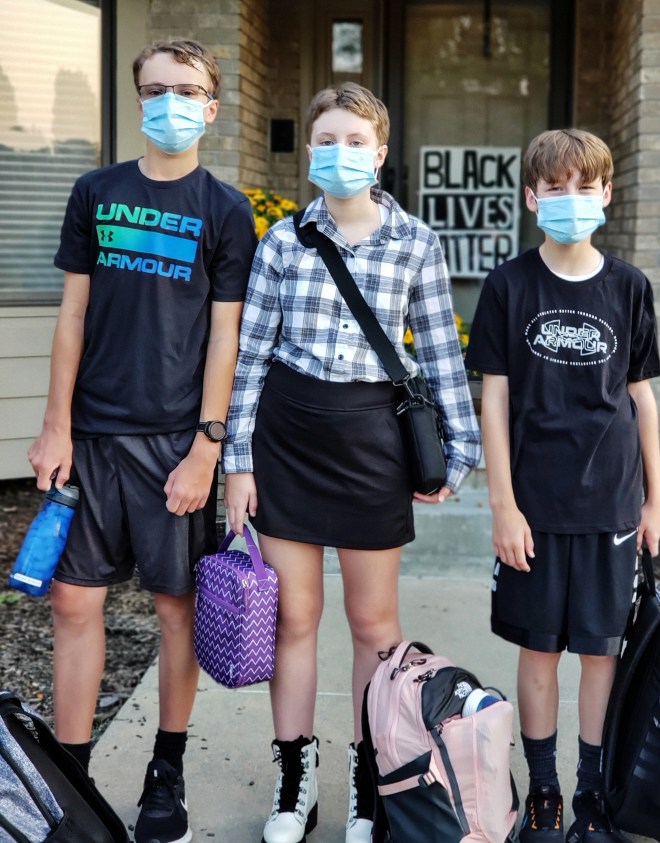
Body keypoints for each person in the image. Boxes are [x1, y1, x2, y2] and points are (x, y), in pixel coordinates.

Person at [223, 82, 481, 843]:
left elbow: (438, 353)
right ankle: (293, 778)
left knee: (374, 627)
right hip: (288, 438)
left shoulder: (416, 243)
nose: (341, 154)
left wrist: (455, 458)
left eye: (356, 141)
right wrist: (238, 460)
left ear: (382, 152)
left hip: (371, 444)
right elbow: (250, 358)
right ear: (309, 151)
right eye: (327, 140)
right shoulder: (281, 241)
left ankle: (371, 781)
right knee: (295, 619)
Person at [28, 39, 256, 843]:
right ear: (137, 100)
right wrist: (54, 424)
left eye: (186, 90)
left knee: (175, 608)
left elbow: (225, 338)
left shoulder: (226, 210)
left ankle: (168, 767)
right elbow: (72, 316)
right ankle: (72, 780)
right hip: (90, 435)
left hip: (172, 444)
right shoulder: (96, 192)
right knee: (73, 602)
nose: (170, 102)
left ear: (212, 107)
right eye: (156, 89)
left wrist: (207, 445)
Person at [465, 129, 660, 843]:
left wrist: (656, 495)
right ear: (531, 196)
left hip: (611, 497)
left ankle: (591, 793)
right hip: (535, 505)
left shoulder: (629, 287)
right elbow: (493, 399)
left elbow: (640, 397)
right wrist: (502, 504)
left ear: (607, 194)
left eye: (586, 186)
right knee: (540, 650)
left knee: (601, 652)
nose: (571, 199)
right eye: (556, 187)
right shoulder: (509, 284)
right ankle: (545, 791)